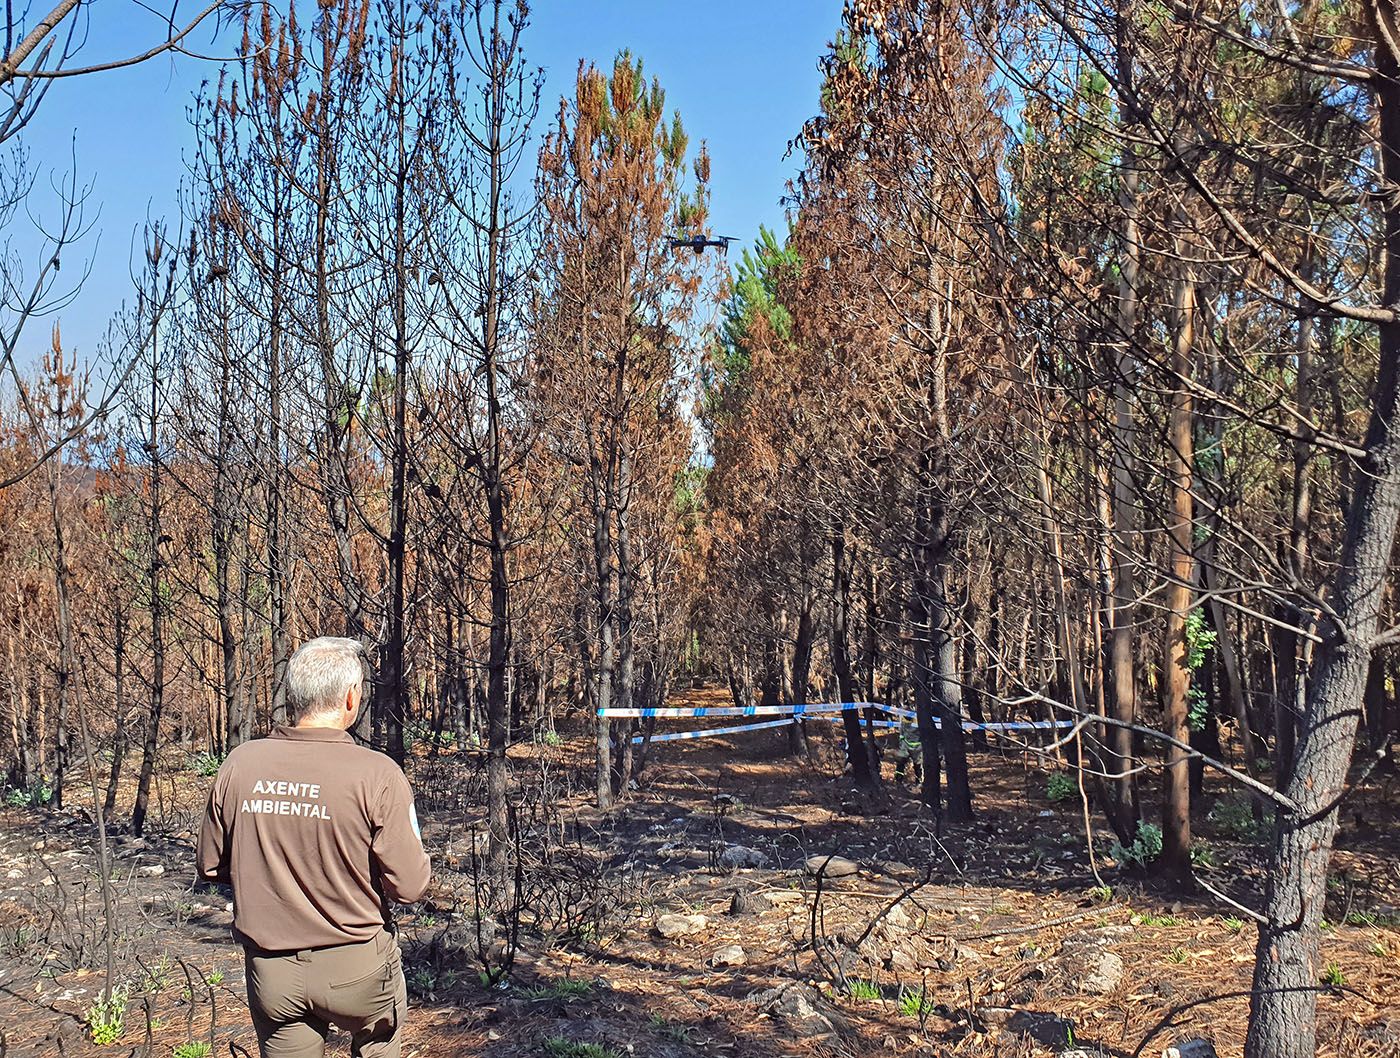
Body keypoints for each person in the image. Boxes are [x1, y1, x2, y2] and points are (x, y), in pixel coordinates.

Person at [197, 637, 431, 1058]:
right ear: (350, 698)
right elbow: (411, 887)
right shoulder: (378, 775)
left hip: (273, 970)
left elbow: (211, 866)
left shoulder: (240, 764)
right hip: (358, 965)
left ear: (292, 696)